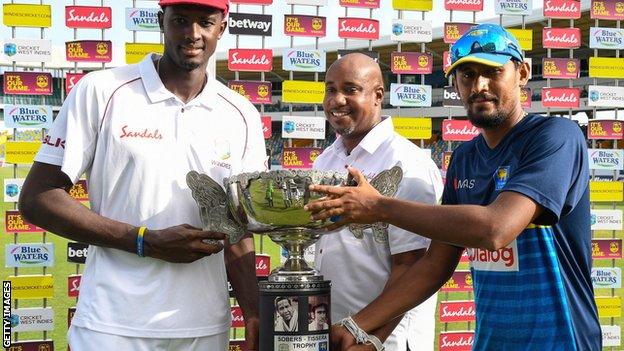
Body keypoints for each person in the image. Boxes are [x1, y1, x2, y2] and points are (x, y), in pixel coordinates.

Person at [306, 24, 601, 350]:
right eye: (468, 75)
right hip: (492, 342)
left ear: (522, 73)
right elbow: (435, 264)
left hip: (561, 341)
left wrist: (378, 207)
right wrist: (358, 328)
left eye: (493, 71)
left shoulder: (556, 136)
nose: (480, 86)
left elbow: (496, 229)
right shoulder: (464, 158)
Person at [18, 0, 266, 350]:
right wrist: (143, 240)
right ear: (160, 21)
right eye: (180, 20)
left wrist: (254, 310)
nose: (192, 34)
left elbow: (236, 224)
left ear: (221, 28)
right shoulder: (102, 90)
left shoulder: (241, 113)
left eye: (205, 23)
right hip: (112, 323)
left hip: (204, 327)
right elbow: (37, 198)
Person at [313, 53, 442, 351]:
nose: (337, 99)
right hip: (334, 334)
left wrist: (370, 337)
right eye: (330, 89)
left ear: (377, 95)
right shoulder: (326, 158)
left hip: (384, 342)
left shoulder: (407, 162)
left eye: (350, 89)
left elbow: (413, 264)